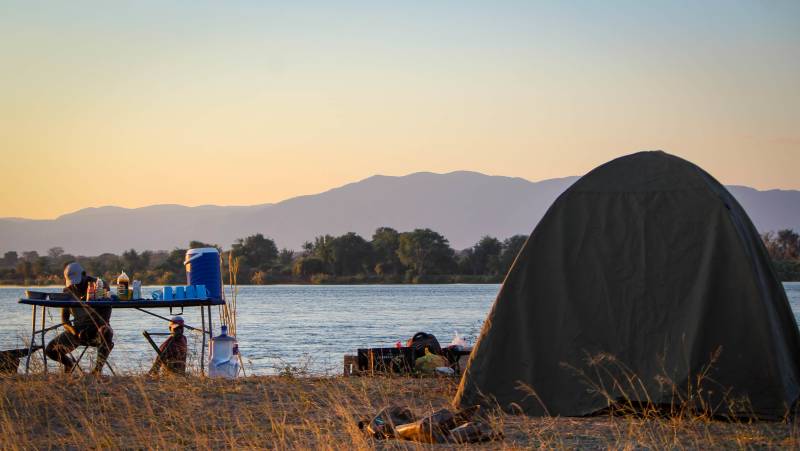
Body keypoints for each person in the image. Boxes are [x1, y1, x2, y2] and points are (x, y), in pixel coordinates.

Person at [45, 261, 114, 375]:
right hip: (77, 331)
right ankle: (69, 364)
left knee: (106, 331)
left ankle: (97, 370)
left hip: (97, 330)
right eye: (72, 283)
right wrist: (74, 331)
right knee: (50, 350)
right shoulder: (68, 291)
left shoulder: (100, 285)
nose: (75, 285)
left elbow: (105, 317)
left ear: (84, 274)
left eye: (77, 281)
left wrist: (89, 330)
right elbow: (65, 320)